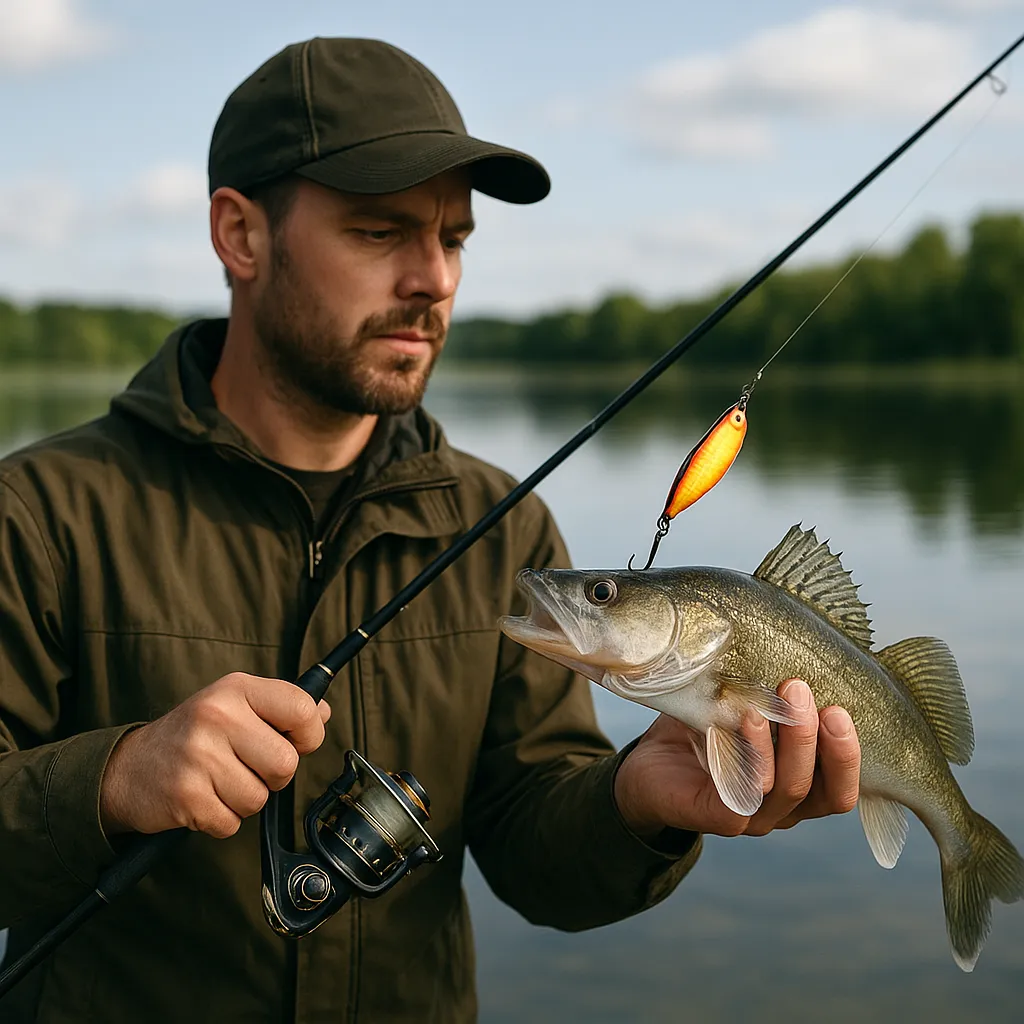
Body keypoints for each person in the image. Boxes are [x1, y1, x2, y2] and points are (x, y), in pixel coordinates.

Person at [0, 37, 861, 1023]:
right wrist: (114, 776)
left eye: (452, 239)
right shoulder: (40, 514)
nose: (433, 279)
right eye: (379, 233)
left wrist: (634, 801)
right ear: (240, 235)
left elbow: (538, 859)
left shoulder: (503, 529)